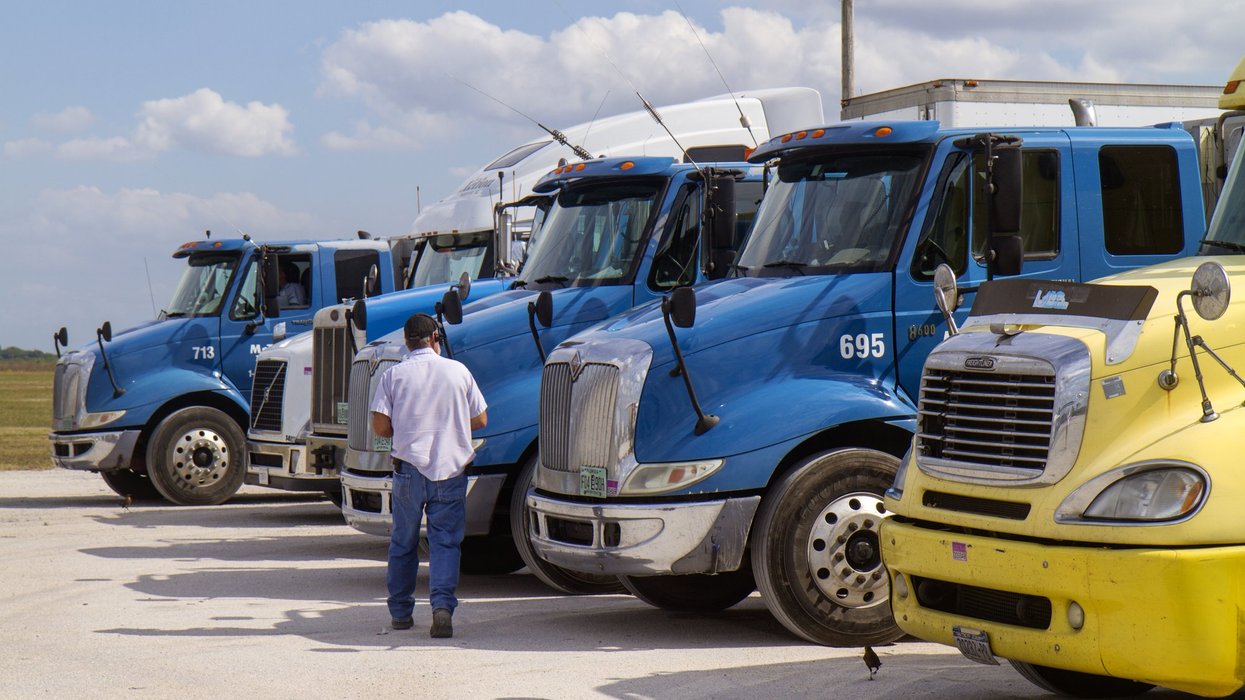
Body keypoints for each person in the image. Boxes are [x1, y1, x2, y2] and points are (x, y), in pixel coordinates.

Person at [370, 313, 487, 638]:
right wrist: (449, 422)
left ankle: (401, 614)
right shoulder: (458, 371)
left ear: (407, 342)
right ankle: (442, 609)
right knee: (445, 543)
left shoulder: (394, 375)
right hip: (450, 471)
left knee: (403, 543)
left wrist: (406, 428)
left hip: (409, 471)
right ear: (435, 338)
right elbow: (481, 418)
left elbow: (379, 427)